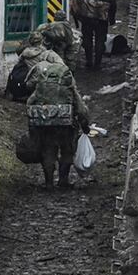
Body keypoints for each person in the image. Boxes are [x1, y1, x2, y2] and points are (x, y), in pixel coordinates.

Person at [24, 58, 89, 188]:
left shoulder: (41, 88)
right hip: (65, 125)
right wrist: (85, 125)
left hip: (45, 123)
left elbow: (30, 103)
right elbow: (81, 109)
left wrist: (32, 124)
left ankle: (49, 183)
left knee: (48, 150)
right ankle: (63, 180)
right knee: (67, 151)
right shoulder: (69, 88)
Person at [73, 0, 124, 69]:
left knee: (87, 38)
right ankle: (98, 63)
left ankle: (88, 61)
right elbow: (113, 5)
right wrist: (112, 19)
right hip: (101, 18)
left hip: (86, 16)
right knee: (100, 39)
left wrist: (78, 16)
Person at [6, 33, 65, 101]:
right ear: (42, 41)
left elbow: (15, 68)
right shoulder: (47, 54)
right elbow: (62, 66)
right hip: (35, 85)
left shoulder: (24, 53)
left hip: (22, 85)